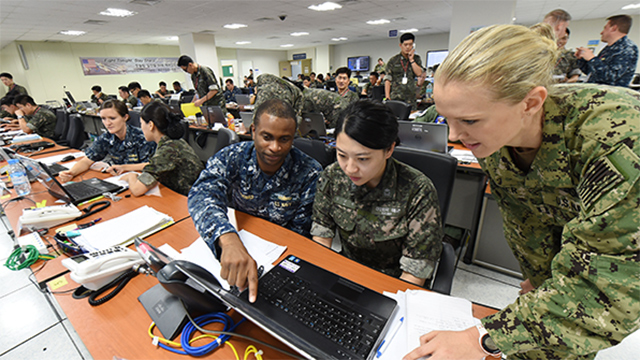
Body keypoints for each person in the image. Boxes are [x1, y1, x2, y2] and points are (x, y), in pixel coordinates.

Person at [404, 24, 640, 360]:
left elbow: (608, 293)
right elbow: (527, 215)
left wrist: (481, 338)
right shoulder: (499, 135)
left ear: (530, 103)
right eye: (448, 120)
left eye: (469, 121)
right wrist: (542, 278)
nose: (455, 135)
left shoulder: (617, 141)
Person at [188, 99, 322, 302]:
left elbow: (301, 237)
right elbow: (202, 194)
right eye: (266, 137)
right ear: (253, 131)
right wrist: (228, 239)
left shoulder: (309, 172)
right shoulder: (232, 157)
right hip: (241, 239)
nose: (275, 147)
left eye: (284, 139)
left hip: (279, 259)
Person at [311, 100, 443, 286]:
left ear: (389, 149)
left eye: (362, 158)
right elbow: (321, 236)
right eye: (342, 155)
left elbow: (415, 272)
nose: (349, 168)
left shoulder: (418, 190)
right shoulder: (332, 176)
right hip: (346, 275)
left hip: (393, 284)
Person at [107, 101, 203, 196]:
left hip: (188, 199)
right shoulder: (172, 142)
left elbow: (137, 190)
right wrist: (124, 167)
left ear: (151, 125)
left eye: (141, 123)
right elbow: (154, 165)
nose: (141, 128)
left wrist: (131, 176)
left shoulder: (168, 149)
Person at [59, 100, 156, 183]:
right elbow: (87, 160)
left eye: (112, 118)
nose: (107, 123)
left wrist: (123, 167)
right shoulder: (106, 138)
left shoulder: (143, 138)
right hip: (121, 181)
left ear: (125, 117)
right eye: (103, 119)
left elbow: (151, 166)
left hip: (143, 182)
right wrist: (71, 173)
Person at [576, 15, 638, 87]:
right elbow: (593, 72)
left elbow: (611, 77)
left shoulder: (627, 48)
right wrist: (581, 60)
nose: (601, 32)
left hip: (610, 95)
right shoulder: (609, 48)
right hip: (596, 93)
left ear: (614, 28)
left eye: (605, 28)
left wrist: (592, 59)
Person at [385, 32, 423, 110]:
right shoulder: (393, 60)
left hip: (411, 98)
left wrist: (411, 60)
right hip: (396, 97)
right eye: (405, 45)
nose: (408, 47)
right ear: (400, 45)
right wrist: (387, 97)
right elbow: (388, 79)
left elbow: (419, 73)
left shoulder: (416, 59)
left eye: (410, 44)